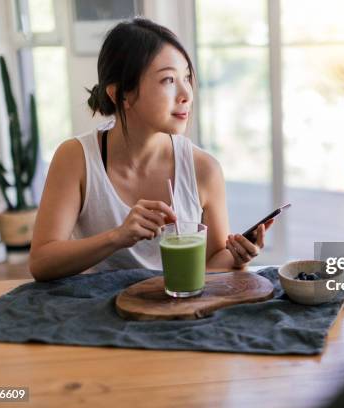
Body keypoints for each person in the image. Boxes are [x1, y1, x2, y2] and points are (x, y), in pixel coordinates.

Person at [29, 18, 272, 282]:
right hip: (102, 312)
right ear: (121, 94)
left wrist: (236, 258)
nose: (186, 94)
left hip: (179, 310)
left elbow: (212, 263)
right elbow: (42, 262)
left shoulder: (204, 169)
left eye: (187, 78)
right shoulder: (76, 158)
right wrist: (117, 237)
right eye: (168, 80)